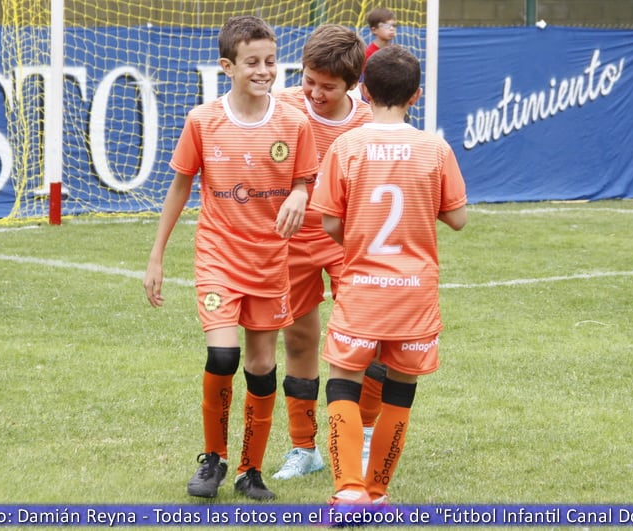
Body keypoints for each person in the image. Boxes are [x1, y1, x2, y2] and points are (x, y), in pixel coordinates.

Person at [143, 15, 318, 501]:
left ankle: (250, 470)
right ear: (228, 66)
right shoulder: (203, 120)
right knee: (223, 356)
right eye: (252, 63)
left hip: (270, 261)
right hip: (219, 256)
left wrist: (300, 193)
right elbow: (180, 184)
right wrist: (156, 256)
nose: (264, 71)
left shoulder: (294, 122)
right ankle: (213, 460)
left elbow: (305, 178)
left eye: (270, 61)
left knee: (262, 366)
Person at [310, 45, 468, 506]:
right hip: (414, 294)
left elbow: (330, 222)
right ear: (416, 96)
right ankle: (377, 491)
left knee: (343, 382)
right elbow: (457, 218)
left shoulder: (346, 145)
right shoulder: (434, 148)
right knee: (400, 388)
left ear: (362, 89)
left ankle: (348, 491)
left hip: (362, 288)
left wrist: (359, 240)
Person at [271, 24, 373, 481]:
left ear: (352, 85)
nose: (312, 92)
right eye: (308, 80)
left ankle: (363, 436)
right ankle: (303, 448)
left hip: (348, 241)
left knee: (363, 341)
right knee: (298, 339)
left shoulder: (368, 125)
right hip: (292, 239)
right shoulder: (284, 106)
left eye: (326, 87)